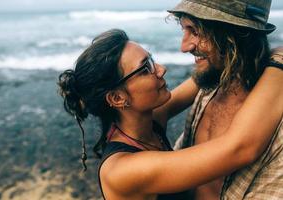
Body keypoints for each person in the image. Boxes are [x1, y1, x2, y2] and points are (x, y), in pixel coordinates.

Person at [58, 29, 283, 199]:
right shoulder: (123, 170)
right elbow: (240, 149)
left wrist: (231, 39)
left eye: (152, 59)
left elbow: (202, 77)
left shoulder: (148, 121)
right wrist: (278, 64)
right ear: (117, 98)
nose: (161, 69)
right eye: (145, 68)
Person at [167, 0, 283, 199]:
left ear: (234, 35)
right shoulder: (207, 92)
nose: (184, 47)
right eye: (184, 29)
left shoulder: (275, 123)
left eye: (195, 31)